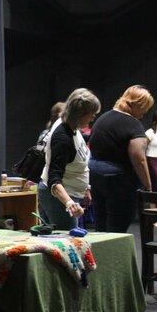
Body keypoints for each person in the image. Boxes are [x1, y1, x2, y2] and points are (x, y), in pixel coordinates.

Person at [88, 85, 154, 233]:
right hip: (118, 180)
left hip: (96, 176)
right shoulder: (132, 124)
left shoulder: (103, 118)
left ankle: (100, 256)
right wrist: (148, 186)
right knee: (117, 228)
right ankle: (115, 256)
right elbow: (139, 158)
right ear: (137, 104)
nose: (144, 113)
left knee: (101, 226)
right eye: (144, 108)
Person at [38, 88, 100, 230]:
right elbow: (54, 179)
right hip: (58, 198)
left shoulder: (72, 126)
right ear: (80, 114)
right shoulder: (62, 138)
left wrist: (86, 188)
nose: (93, 118)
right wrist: (69, 204)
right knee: (68, 244)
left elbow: (79, 163)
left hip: (68, 193)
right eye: (92, 114)